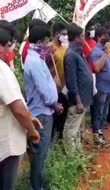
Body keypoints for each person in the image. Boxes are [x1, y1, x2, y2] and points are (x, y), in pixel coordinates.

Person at [0, 28, 42, 190]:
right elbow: (17, 108)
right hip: (7, 145)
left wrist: (28, 116)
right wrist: (32, 131)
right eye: (9, 45)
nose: (12, 49)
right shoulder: (2, 70)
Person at [24, 24, 63, 190]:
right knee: (39, 154)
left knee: (40, 153)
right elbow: (44, 92)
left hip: (43, 111)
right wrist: (55, 105)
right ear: (40, 41)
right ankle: (36, 186)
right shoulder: (34, 62)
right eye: (47, 41)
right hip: (42, 113)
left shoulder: (36, 60)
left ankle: (37, 184)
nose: (49, 44)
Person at [63, 23, 93, 148]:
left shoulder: (77, 53)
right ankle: (71, 158)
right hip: (77, 102)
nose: (83, 39)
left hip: (83, 99)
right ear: (75, 37)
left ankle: (77, 154)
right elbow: (71, 80)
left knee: (78, 130)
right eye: (81, 36)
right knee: (71, 131)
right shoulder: (70, 55)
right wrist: (78, 101)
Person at [90, 27, 110, 147]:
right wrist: (105, 54)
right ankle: (96, 138)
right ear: (99, 37)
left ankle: (100, 134)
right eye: (105, 35)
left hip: (108, 88)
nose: (107, 38)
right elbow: (97, 68)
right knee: (98, 113)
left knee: (104, 114)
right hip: (101, 88)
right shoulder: (96, 52)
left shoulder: (106, 50)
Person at [49, 22, 69, 139]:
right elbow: (46, 69)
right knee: (53, 118)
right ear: (56, 34)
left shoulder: (65, 48)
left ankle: (59, 138)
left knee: (62, 116)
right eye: (63, 34)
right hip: (52, 89)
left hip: (62, 87)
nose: (66, 37)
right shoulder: (49, 48)